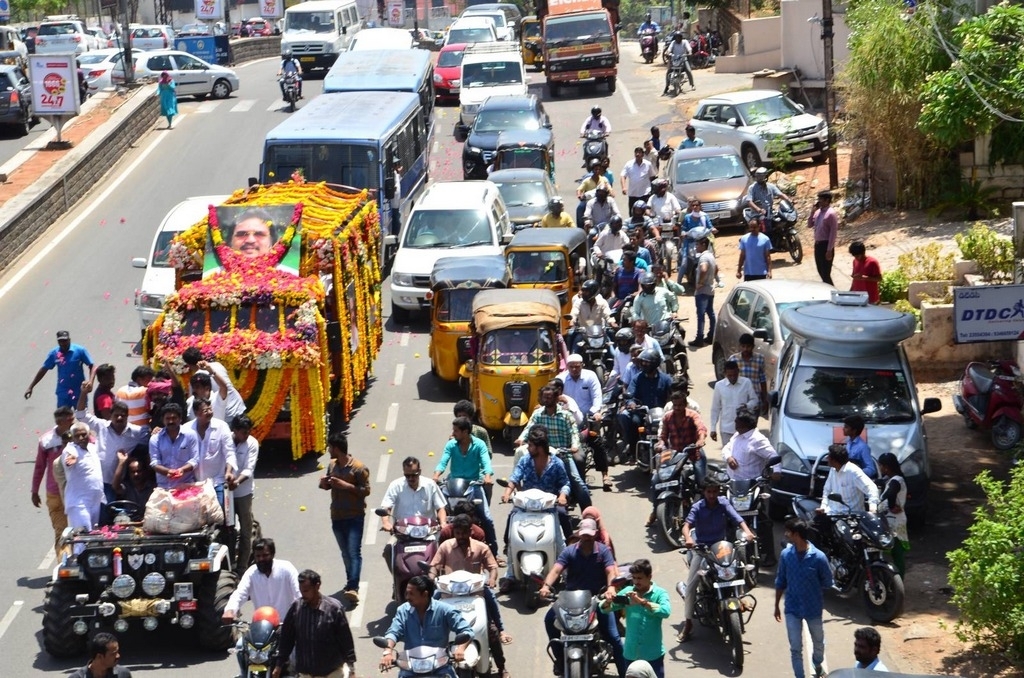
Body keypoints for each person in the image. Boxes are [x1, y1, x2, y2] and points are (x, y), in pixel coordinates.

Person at [540, 518, 627, 678]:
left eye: (590, 535)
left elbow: (610, 571)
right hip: (570, 600)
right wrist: (546, 586)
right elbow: (556, 570)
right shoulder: (569, 551)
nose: (587, 538)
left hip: (596, 599)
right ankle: (560, 659)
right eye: (584, 534)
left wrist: (610, 588)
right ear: (579, 534)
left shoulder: (603, 551)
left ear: (595, 534)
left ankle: (624, 674)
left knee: (613, 638)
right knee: (549, 620)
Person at [427, 514, 511, 678]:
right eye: (458, 533)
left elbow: (493, 567)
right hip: (448, 593)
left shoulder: (481, 547)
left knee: (491, 630)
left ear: (470, 532)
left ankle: (501, 665)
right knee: (429, 610)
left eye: (464, 533)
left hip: (475, 592)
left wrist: (492, 579)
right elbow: (434, 566)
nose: (461, 537)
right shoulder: (445, 547)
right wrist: (431, 578)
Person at [680, 472, 756, 641]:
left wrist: (748, 532)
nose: (712, 495)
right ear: (704, 492)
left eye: (715, 491)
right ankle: (688, 623)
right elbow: (686, 525)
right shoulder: (698, 507)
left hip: (721, 548)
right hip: (702, 549)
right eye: (709, 492)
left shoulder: (723, 503)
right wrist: (688, 538)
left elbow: (738, 519)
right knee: (691, 586)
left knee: (738, 569)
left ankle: (739, 597)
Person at [499, 426, 572, 591]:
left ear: (539, 448)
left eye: (531, 445)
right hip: (525, 508)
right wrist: (507, 493)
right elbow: (515, 477)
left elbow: (565, 483)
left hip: (548, 509)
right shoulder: (525, 460)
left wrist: (562, 495)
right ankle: (510, 575)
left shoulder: (557, 464)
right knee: (512, 539)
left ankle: (567, 575)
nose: (528, 448)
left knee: (559, 542)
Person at [224, 537, 301, 677]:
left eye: (265, 555)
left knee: (295, 656)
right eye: (258, 556)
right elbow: (240, 593)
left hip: (286, 626)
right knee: (241, 646)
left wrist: (301, 613)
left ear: (272, 554)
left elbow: (299, 593)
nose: (261, 559)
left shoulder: (286, 569)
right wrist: (230, 610)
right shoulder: (251, 573)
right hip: (262, 629)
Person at [774, 518, 833, 678]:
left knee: (818, 644)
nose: (786, 534)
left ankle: (817, 663)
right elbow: (780, 581)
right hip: (792, 608)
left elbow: (828, 581)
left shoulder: (819, 557)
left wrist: (812, 589)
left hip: (813, 609)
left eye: (788, 532)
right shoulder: (786, 555)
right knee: (795, 648)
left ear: (797, 535)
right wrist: (776, 606)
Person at [380, 575, 473, 676]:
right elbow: (393, 632)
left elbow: (467, 631)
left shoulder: (445, 610)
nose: (407, 597)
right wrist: (388, 651)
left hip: (440, 667)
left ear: (425, 594)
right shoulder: (403, 611)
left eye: (411, 594)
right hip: (411, 667)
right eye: (407, 593)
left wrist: (460, 649)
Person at [76, 381, 149, 504]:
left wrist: (157, 430)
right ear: (111, 415)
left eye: (123, 415)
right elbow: (81, 415)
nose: (119, 418)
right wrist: (83, 393)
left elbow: (151, 440)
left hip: (115, 484)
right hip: (95, 480)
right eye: (116, 415)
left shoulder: (136, 432)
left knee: (109, 512)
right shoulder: (101, 426)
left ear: (127, 416)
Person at [722, 408, 780, 565]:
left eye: (737, 421)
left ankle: (769, 555)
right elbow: (726, 448)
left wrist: (776, 472)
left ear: (745, 424)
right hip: (734, 485)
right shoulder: (737, 435)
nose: (735, 423)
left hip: (753, 486)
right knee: (728, 517)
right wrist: (729, 457)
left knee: (761, 519)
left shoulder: (758, 440)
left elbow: (773, 456)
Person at [274, 569, 356, 678]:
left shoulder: (334, 609)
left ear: (317, 586)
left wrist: (351, 670)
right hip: (306, 674)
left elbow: (345, 640)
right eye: (301, 591)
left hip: (332, 673)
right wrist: (279, 665)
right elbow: (287, 638)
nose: (303, 595)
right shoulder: (296, 608)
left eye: (306, 591)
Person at [433, 417, 497, 555]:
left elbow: (486, 462)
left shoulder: (479, 445)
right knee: (437, 512)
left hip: (473, 485)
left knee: (487, 518)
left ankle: (494, 552)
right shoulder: (451, 445)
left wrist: (487, 476)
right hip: (452, 485)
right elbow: (443, 461)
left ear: (465, 431)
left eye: (456, 431)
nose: (453, 433)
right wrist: (436, 476)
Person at [319, 431, 370, 602]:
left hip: (354, 516)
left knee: (354, 552)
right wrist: (324, 483)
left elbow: (366, 491)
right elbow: (327, 487)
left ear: (336, 449)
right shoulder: (332, 465)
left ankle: (353, 587)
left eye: (330, 447)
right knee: (345, 553)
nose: (328, 450)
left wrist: (346, 485)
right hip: (337, 515)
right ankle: (350, 582)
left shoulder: (359, 468)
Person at [601, 559, 671, 678]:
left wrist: (642, 602)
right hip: (631, 653)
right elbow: (605, 608)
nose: (636, 582)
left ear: (649, 577)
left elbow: (665, 611)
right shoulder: (628, 592)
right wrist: (608, 601)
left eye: (640, 578)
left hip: (652, 654)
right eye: (634, 578)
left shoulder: (660, 593)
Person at [650, 385, 708, 525]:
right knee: (656, 480)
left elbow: (701, 428)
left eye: (680, 405)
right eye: (675, 405)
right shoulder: (667, 417)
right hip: (675, 456)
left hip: (693, 453)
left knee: (702, 482)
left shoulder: (692, 415)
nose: (677, 408)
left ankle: (705, 512)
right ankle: (655, 511)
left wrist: (700, 440)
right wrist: (660, 445)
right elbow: (663, 437)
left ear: (685, 404)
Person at [379, 456, 448, 569]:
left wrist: (443, 523)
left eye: (414, 475)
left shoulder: (430, 484)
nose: (411, 478)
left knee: (445, 550)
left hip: (428, 533)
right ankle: (398, 577)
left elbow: (440, 508)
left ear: (419, 471)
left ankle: (440, 576)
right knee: (388, 551)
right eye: (407, 475)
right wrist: (386, 522)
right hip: (403, 534)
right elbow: (386, 507)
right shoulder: (395, 485)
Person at [559, 354, 611, 490]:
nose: (574, 369)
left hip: (588, 418)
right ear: (567, 367)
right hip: (567, 419)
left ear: (582, 365)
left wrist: (596, 412)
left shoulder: (590, 376)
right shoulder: (561, 379)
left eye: (577, 367)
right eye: (571, 367)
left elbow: (597, 396)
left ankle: (605, 475)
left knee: (597, 443)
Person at [617, 349, 673, 458]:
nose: (643, 364)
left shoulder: (666, 379)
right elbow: (630, 394)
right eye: (642, 362)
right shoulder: (637, 378)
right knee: (634, 422)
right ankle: (634, 451)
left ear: (655, 363)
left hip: (662, 414)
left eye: (646, 362)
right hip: (643, 414)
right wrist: (631, 403)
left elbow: (674, 394)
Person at [183, 397, 237, 509]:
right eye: (205, 410)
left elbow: (230, 452)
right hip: (194, 483)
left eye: (210, 409)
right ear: (196, 413)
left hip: (217, 482)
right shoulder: (186, 429)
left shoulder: (221, 426)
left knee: (219, 511)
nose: (209, 412)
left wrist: (229, 471)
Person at [33, 406, 74, 549]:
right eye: (70, 420)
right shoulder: (46, 441)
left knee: (82, 531)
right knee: (61, 533)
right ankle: (64, 561)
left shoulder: (80, 435)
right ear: (60, 422)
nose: (73, 422)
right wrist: (34, 491)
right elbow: (40, 466)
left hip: (77, 491)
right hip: (55, 493)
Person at [25, 330, 95, 407]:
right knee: (62, 414)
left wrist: (91, 382)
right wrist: (31, 387)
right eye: (60, 341)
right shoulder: (54, 353)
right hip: (63, 392)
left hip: (79, 392)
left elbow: (92, 366)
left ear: (69, 340)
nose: (63, 343)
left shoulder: (80, 350)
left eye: (65, 341)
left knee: (82, 414)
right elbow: (44, 369)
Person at [181, 347, 246, 420]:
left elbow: (192, 401)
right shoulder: (218, 365)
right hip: (238, 406)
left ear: (189, 365)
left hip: (226, 413)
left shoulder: (196, 379)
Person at [229, 415, 259, 572]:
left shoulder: (252, 443)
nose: (247, 435)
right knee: (227, 531)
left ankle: (242, 568)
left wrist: (237, 482)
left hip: (243, 493)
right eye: (243, 432)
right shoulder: (226, 440)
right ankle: (229, 565)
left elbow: (249, 469)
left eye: (248, 431)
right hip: (226, 494)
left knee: (246, 532)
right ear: (235, 430)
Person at [62, 422, 105, 530]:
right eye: (77, 436)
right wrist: (72, 458)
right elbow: (70, 454)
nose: (81, 438)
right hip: (79, 504)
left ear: (88, 434)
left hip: (95, 501)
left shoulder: (92, 448)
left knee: (93, 536)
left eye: (83, 434)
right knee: (83, 536)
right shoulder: (70, 449)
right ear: (72, 438)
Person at [148, 403, 200, 489]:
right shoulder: (155, 438)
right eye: (167, 418)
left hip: (186, 485)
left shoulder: (190, 435)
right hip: (164, 486)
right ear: (163, 420)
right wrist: (168, 472)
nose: (171, 421)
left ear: (180, 419)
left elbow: (195, 460)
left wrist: (182, 470)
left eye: (174, 418)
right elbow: (154, 462)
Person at [818, 443, 879, 515]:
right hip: (833, 514)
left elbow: (872, 488)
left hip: (851, 516)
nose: (827, 458)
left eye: (829, 457)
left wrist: (872, 508)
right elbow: (827, 490)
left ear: (835, 460)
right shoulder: (832, 470)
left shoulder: (853, 471)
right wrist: (823, 507)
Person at [709, 361, 759, 446]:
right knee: (728, 453)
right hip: (726, 429)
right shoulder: (719, 386)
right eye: (730, 375)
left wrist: (747, 406)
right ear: (725, 374)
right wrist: (713, 428)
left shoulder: (746, 382)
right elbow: (715, 408)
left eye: (735, 375)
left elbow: (755, 400)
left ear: (738, 372)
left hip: (744, 428)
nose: (732, 378)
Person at [876, 452, 909, 577]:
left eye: (880, 465)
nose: (879, 468)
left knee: (896, 553)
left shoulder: (896, 481)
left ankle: (898, 580)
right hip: (890, 520)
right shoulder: (891, 479)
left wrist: (890, 506)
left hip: (894, 522)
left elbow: (890, 494)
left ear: (886, 467)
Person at [729, 334, 769, 415]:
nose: (745, 349)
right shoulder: (733, 359)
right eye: (743, 346)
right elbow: (728, 380)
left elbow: (762, 380)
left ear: (753, 346)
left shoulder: (759, 359)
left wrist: (765, 399)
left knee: (752, 421)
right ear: (739, 346)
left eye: (748, 346)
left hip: (754, 399)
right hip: (738, 400)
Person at [689, 237, 717, 347]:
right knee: (710, 313)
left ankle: (699, 338)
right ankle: (711, 336)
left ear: (704, 245)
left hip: (702, 290)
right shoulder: (711, 256)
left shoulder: (704, 257)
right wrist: (713, 279)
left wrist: (700, 283)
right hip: (710, 289)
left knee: (701, 315)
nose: (696, 247)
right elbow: (716, 268)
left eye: (698, 245)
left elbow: (704, 269)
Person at [808, 190, 839, 284]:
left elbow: (833, 233)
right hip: (818, 245)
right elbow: (809, 225)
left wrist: (829, 250)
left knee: (826, 273)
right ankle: (830, 289)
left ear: (827, 200)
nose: (819, 201)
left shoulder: (831, 214)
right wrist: (812, 213)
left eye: (821, 199)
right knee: (820, 271)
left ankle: (832, 290)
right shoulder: (817, 212)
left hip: (826, 245)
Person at [737, 215, 772, 281]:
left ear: (759, 226)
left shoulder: (765, 239)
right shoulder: (744, 239)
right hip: (748, 273)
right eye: (751, 227)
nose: (752, 229)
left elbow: (767, 257)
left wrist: (769, 271)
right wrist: (738, 270)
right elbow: (742, 256)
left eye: (754, 227)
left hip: (761, 273)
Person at [621, 147, 656, 211]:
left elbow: (652, 176)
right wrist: (623, 187)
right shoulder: (629, 164)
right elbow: (623, 176)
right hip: (633, 194)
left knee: (645, 213)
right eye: (636, 152)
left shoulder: (648, 164)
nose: (637, 154)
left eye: (639, 152)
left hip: (645, 194)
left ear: (643, 154)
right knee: (633, 213)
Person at [842, 414, 876, 478]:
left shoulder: (863, 447)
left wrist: (856, 472)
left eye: (846, 427)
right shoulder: (848, 442)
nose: (843, 429)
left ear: (854, 431)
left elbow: (871, 469)